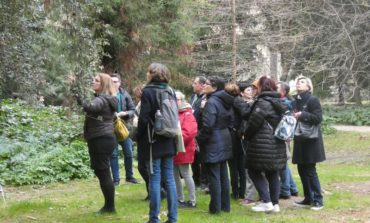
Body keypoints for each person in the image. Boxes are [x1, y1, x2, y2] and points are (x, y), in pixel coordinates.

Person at [136, 63, 177, 223]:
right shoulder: (170, 90)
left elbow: (144, 118)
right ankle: (173, 218)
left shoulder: (148, 91)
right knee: (170, 179)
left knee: (154, 178)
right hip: (169, 139)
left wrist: (137, 136)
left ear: (152, 74)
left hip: (153, 140)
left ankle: (154, 218)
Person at [74, 73, 118, 214]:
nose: (93, 82)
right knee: (104, 172)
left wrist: (76, 90)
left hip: (100, 139)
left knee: (103, 173)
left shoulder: (102, 99)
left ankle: (109, 207)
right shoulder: (108, 99)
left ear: (103, 84)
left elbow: (89, 107)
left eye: (96, 80)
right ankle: (109, 206)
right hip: (106, 138)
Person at [244, 76, 287, 213]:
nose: (254, 89)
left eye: (256, 87)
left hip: (262, 144)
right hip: (277, 143)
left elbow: (253, 124)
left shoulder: (263, 103)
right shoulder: (278, 101)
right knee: (273, 172)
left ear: (262, 87)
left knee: (253, 170)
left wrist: (246, 136)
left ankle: (266, 201)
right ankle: (275, 204)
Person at [196, 76, 233, 214]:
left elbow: (208, 126)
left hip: (213, 140)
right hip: (224, 138)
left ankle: (215, 208)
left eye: (207, 84)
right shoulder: (224, 100)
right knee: (223, 175)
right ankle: (225, 206)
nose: (204, 85)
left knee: (214, 176)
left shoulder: (212, 102)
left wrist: (198, 138)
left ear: (215, 87)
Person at [292, 75, 326, 211]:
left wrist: (302, 115)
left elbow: (318, 118)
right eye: (297, 82)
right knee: (301, 169)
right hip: (300, 139)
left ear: (308, 86)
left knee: (310, 170)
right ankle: (308, 198)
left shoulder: (313, 100)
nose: (298, 84)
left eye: (302, 82)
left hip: (311, 140)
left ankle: (318, 200)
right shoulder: (295, 100)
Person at [109, 73, 139, 185]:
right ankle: (116, 180)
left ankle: (129, 177)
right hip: (110, 128)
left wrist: (125, 113)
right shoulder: (105, 94)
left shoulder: (125, 94)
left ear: (120, 83)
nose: (113, 83)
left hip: (125, 128)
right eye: (111, 81)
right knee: (113, 154)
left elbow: (133, 110)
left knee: (129, 153)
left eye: (115, 81)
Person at [174, 91, 198, 208]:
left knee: (186, 174)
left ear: (181, 100)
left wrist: (175, 139)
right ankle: (179, 199)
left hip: (184, 148)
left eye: (176, 99)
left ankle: (192, 200)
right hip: (174, 148)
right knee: (174, 176)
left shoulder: (187, 114)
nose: (174, 101)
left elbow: (189, 132)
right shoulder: (174, 113)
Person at [277, 82, 299, 199]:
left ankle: (285, 190)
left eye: (277, 88)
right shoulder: (286, 102)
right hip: (285, 136)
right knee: (284, 163)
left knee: (282, 164)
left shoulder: (284, 103)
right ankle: (292, 188)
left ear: (283, 92)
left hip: (282, 136)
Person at [224, 83, 246, 200]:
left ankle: (239, 191)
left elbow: (245, 116)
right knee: (236, 165)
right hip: (233, 134)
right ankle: (237, 191)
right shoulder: (235, 101)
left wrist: (240, 131)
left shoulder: (236, 101)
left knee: (237, 165)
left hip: (235, 136)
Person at [238, 82, 259, 206]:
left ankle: (251, 197)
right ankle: (252, 195)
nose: (251, 91)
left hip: (252, 138)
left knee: (251, 168)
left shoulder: (257, 104)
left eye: (253, 89)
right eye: (249, 89)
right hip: (248, 137)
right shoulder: (244, 104)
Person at [190, 76, 208, 190]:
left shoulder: (205, 99)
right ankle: (195, 180)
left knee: (203, 157)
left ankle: (204, 181)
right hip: (192, 130)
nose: (193, 85)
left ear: (202, 85)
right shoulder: (193, 97)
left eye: (195, 83)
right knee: (194, 157)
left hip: (201, 131)